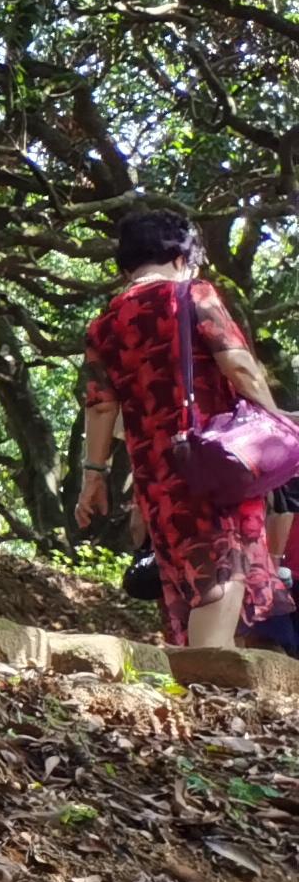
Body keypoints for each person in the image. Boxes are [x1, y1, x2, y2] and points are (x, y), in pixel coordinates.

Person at [76, 205, 291, 651]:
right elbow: (239, 366)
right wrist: (276, 420)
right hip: (212, 462)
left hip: (155, 477)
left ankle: (204, 685)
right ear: (180, 257)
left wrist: (93, 476)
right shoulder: (193, 295)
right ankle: (207, 696)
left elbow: (100, 408)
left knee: (184, 580)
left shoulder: (104, 324)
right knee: (222, 572)